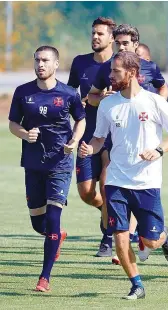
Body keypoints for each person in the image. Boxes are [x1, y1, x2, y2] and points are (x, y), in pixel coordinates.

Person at [78, 51, 168, 299]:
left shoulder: (155, 102)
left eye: (115, 71)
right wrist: (88, 148)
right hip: (116, 181)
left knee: (151, 240)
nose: (110, 75)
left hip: (147, 182)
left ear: (132, 73)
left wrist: (158, 150)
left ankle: (164, 237)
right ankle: (137, 284)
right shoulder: (107, 104)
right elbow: (99, 138)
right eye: (111, 71)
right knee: (120, 239)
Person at [8, 46, 86, 292]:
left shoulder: (69, 93)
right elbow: (12, 123)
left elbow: (81, 120)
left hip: (60, 164)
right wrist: (24, 134)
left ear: (55, 64)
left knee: (53, 218)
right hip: (33, 164)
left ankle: (44, 277)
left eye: (45, 60)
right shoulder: (23, 92)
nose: (40, 64)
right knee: (38, 223)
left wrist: (73, 141)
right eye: (37, 60)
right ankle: (57, 236)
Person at [67, 16, 116, 258]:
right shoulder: (80, 63)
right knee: (87, 192)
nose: (95, 37)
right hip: (87, 134)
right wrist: (87, 101)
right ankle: (105, 211)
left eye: (100, 34)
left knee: (107, 186)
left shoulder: (120, 65)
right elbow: (71, 95)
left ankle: (107, 239)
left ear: (112, 39)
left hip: (112, 137)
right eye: (93, 33)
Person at [136, 43, 168, 119]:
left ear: (147, 60)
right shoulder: (126, 79)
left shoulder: (161, 85)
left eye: (138, 56)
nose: (134, 59)